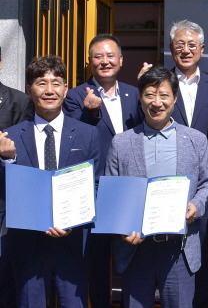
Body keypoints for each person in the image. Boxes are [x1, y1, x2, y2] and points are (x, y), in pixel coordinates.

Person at [104, 66, 208, 308]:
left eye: (164, 95)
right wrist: (122, 229)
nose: (157, 103)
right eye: (150, 95)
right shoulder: (122, 143)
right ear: (140, 98)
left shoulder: (195, 140)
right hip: (135, 248)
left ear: (175, 98)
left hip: (179, 248)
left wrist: (196, 206)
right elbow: (111, 197)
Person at [0, 55, 101, 308]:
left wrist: (72, 222)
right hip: (27, 246)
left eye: (56, 83)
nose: (49, 90)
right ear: (29, 90)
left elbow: (96, 186)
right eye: (41, 83)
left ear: (65, 89)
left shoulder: (87, 134)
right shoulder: (9, 138)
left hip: (73, 244)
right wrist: (7, 161)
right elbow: (6, 195)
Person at [63, 34, 143, 308]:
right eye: (98, 56)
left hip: (130, 188)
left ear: (121, 60)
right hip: (94, 189)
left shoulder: (135, 94)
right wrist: (90, 114)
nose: (105, 61)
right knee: (96, 262)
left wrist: (148, 85)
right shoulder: (75, 96)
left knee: (132, 256)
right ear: (89, 61)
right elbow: (70, 139)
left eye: (110, 56)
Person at [166, 19, 208, 308]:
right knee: (165, 249)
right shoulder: (159, 83)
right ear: (170, 49)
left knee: (202, 248)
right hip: (165, 181)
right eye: (180, 45)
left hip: (204, 183)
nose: (186, 50)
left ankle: (200, 301)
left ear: (202, 49)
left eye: (192, 45)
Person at [0, 47, 34, 308]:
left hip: (6, 203)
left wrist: (7, 156)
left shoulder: (19, 101)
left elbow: (26, 155)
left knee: (6, 276)